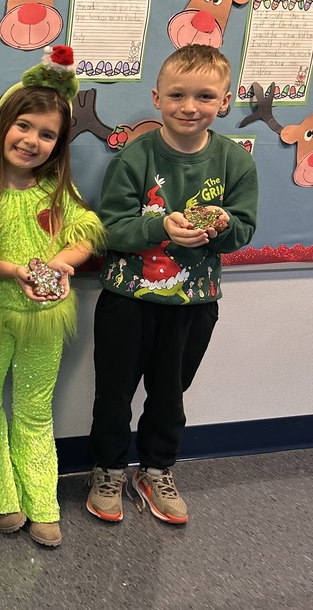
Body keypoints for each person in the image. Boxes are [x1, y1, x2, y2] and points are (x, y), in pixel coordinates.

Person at [86, 44, 258, 525]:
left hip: (194, 302)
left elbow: (242, 233)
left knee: (170, 393)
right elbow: (112, 227)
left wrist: (222, 222)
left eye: (205, 96)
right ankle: (109, 469)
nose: (189, 106)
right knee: (114, 393)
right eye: (178, 95)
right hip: (127, 299)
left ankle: (157, 468)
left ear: (224, 102)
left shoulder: (235, 163)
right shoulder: (136, 156)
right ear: (158, 96)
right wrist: (161, 227)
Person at [0, 46, 104, 548]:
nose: (32, 141)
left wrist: (63, 262)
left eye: (47, 135)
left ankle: (42, 499)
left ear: (59, 144)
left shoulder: (56, 189)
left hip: (46, 317)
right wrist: (12, 269)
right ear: (3, 123)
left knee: (34, 410)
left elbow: (86, 231)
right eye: (25, 126)